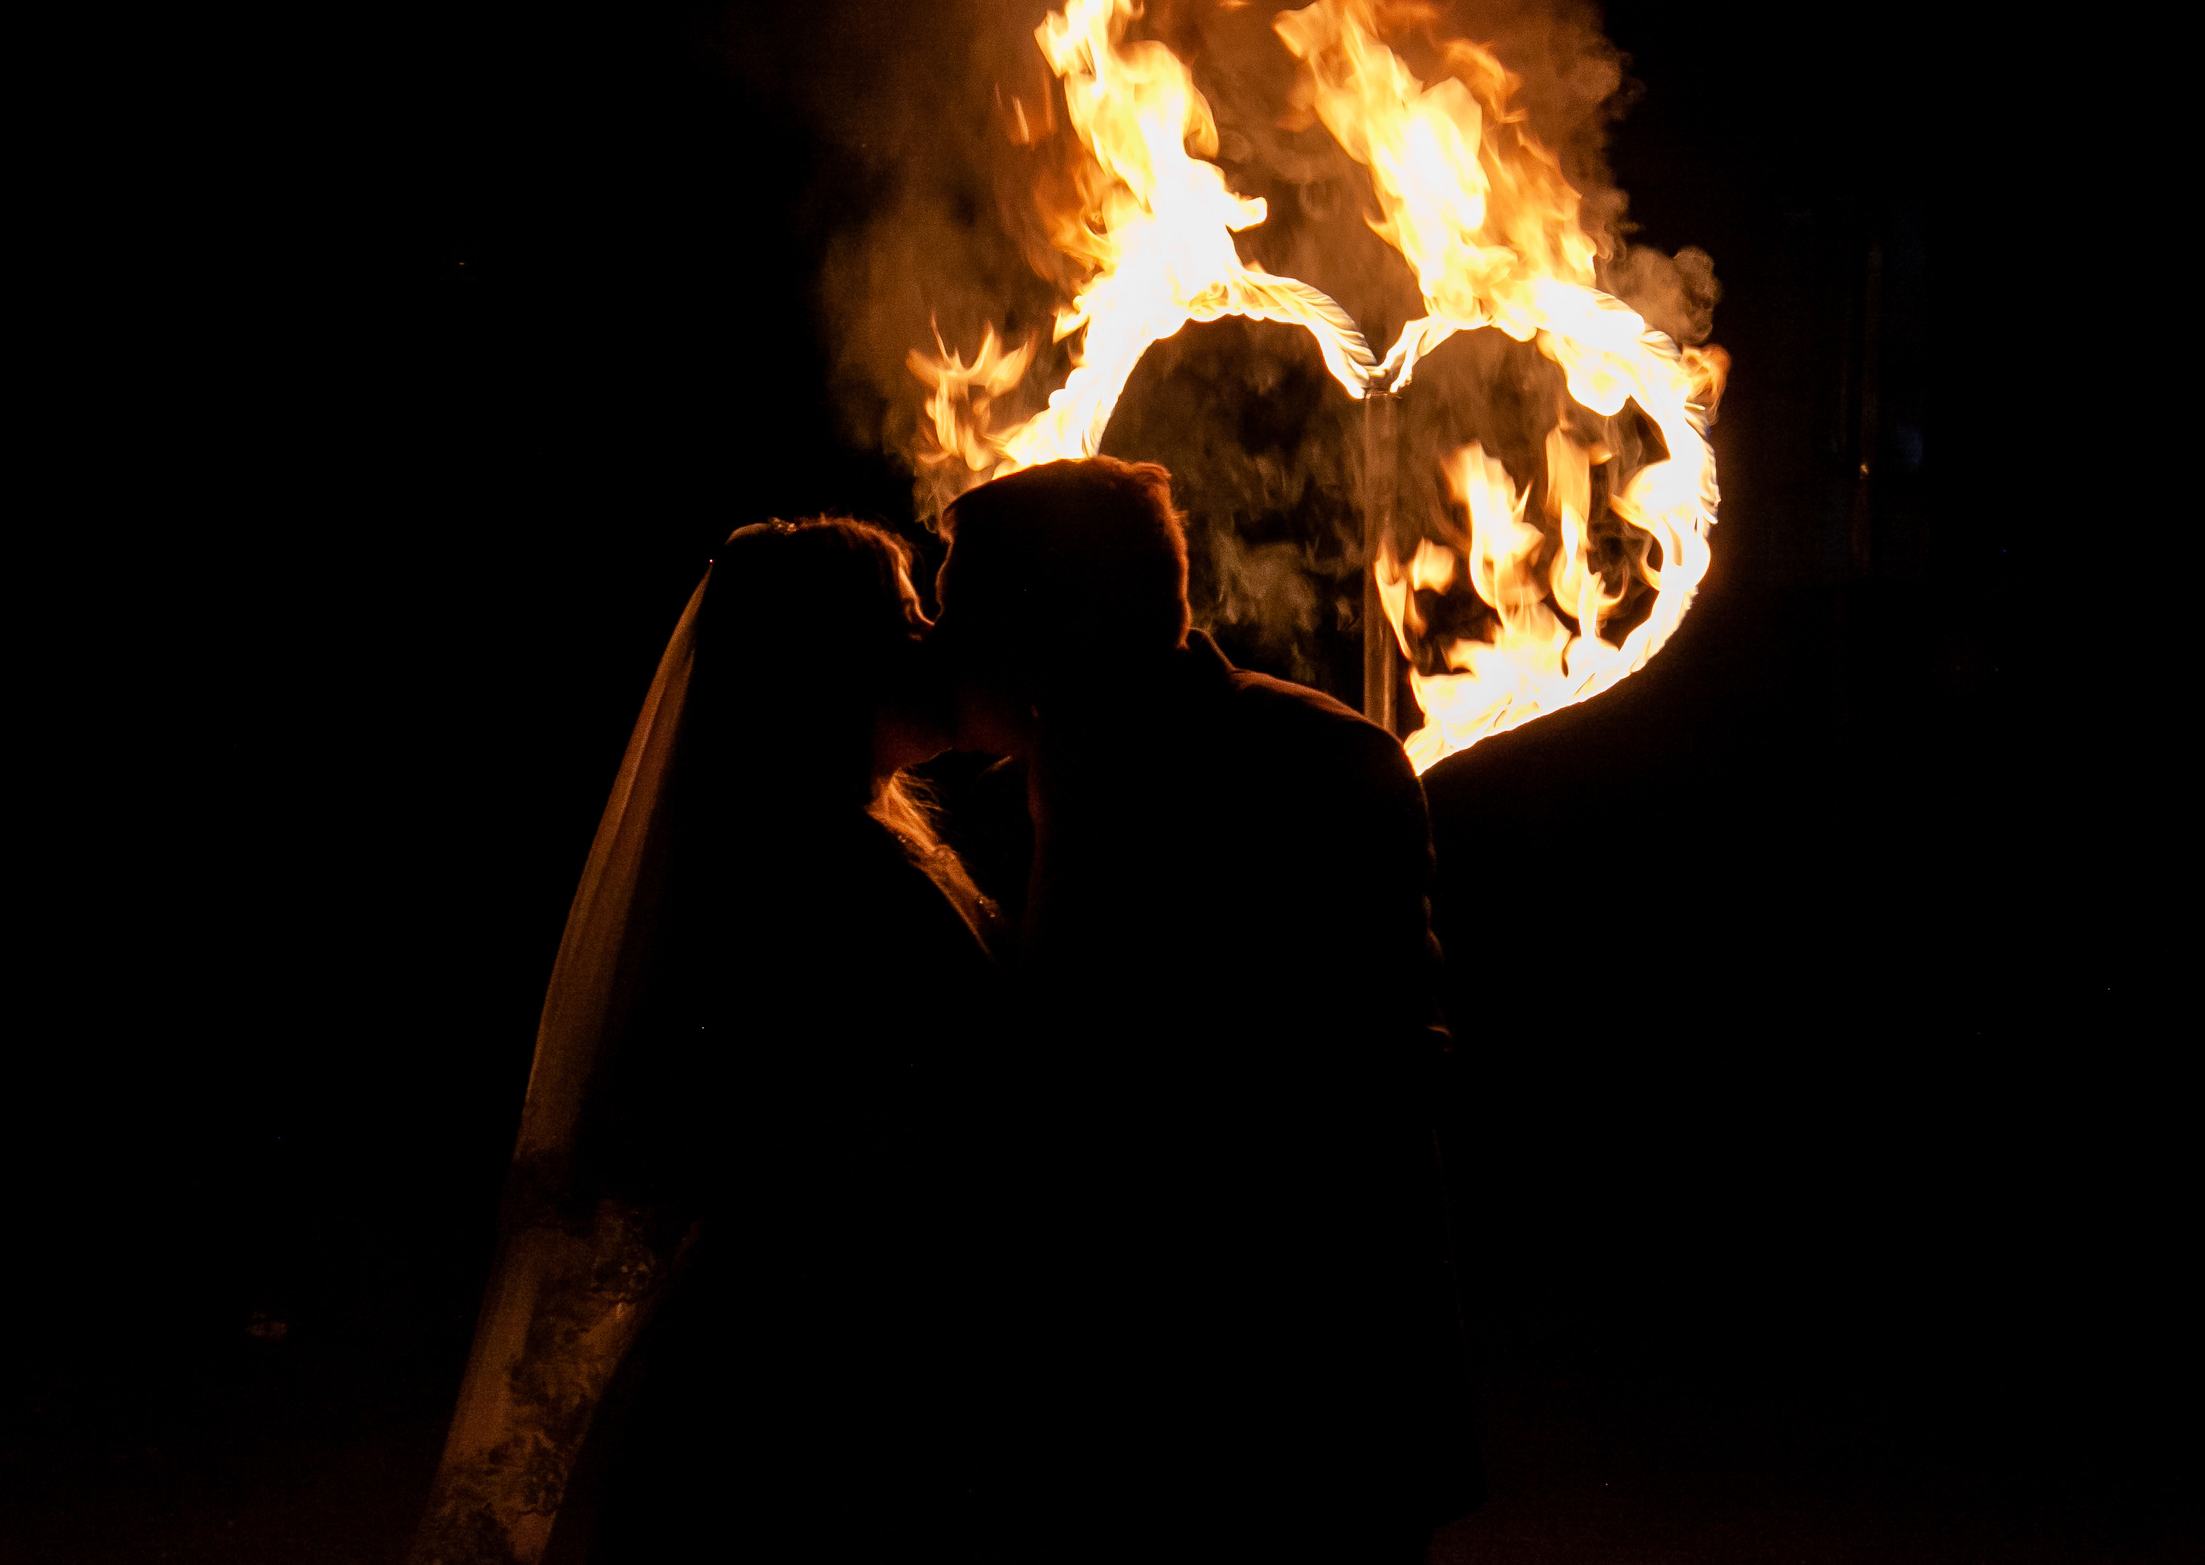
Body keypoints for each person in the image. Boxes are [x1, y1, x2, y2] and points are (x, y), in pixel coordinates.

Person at [412, 517, 1003, 1565]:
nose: (935, 636)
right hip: (820, 1354)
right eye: (906, 613)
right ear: (825, 662)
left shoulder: (834, 848)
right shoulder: (835, 877)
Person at [930, 456, 1480, 1562]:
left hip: (1304, 1385)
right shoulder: (993, 807)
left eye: (970, 608)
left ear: (1055, 619)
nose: (950, 643)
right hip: (1096, 1401)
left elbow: (1378, 1083)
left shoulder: (1322, 765)